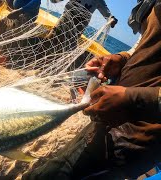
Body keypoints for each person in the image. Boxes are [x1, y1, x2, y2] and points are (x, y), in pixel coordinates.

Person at [23, 0, 161, 179]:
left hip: (135, 139)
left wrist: (133, 99)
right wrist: (122, 58)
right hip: (109, 118)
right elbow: (147, 43)